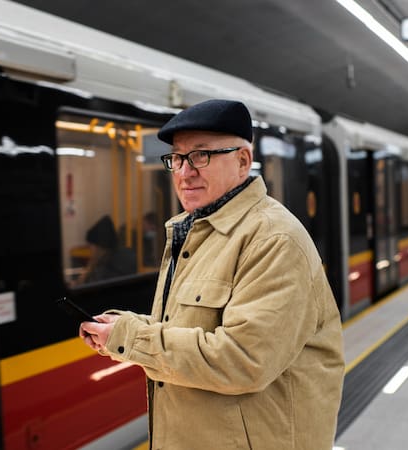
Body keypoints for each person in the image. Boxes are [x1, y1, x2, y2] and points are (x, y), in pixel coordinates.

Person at [80, 99, 345, 449]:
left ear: (243, 161)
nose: (184, 172)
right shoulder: (192, 231)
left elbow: (244, 360)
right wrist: (123, 327)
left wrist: (132, 339)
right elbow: (189, 328)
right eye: (177, 158)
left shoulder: (273, 239)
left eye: (201, 156)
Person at [76, 215, 136, 284]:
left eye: (90, 246)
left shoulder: (106, 267)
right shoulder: (123, 255)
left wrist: (87, 272)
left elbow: (90, 285)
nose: (90, 250)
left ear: (98, 247)